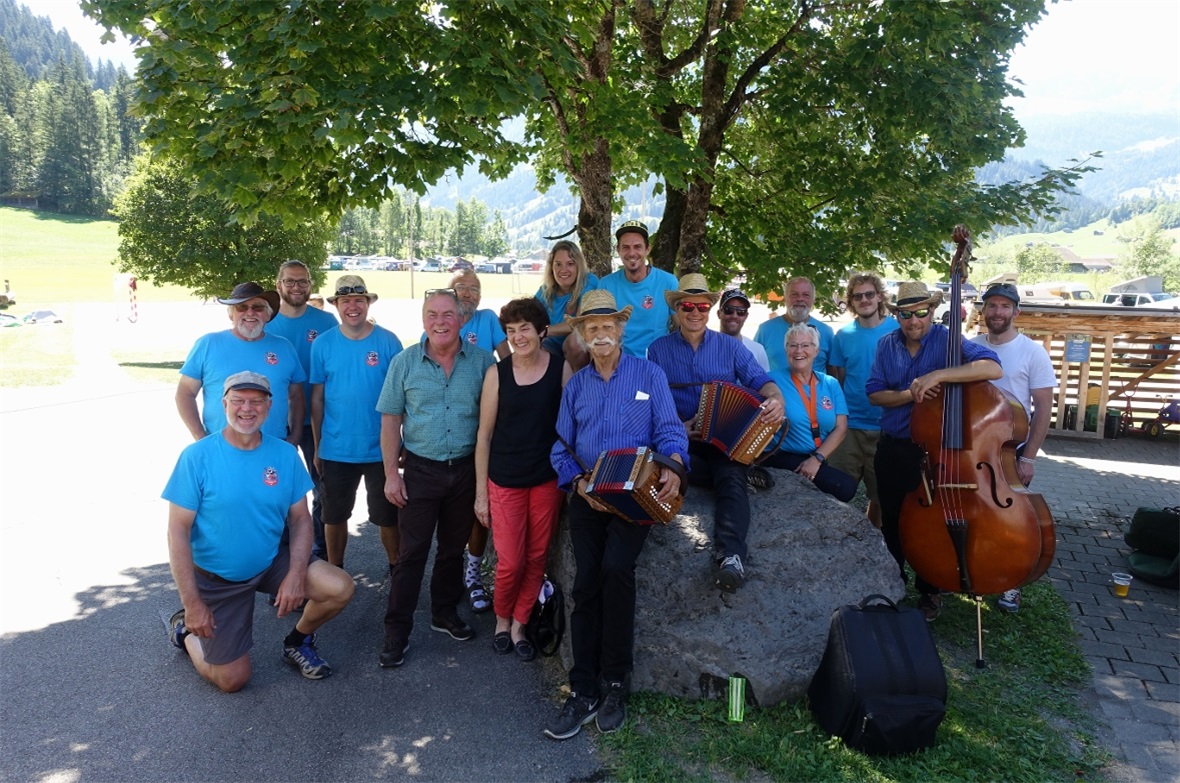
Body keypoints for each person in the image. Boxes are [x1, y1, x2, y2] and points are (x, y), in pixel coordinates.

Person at [545, 290, 688, 740]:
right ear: (582, 335)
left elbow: (670, 430)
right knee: (585, 583)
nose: (601, 333)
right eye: (592, 327)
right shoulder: (576, 386)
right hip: (589, 494)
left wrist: (674, 467)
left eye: (608, 326)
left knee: (616, 570)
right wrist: (577, 484)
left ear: (621, 330)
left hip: (634, 495)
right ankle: (582, 687)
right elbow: (560, 447)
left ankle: (614, 684)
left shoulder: (649, 374)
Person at [164, 371, 355, 692]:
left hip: (269, 562)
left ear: (269, 406)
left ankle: (298, 641)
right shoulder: (196, 457)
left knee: (339, 587)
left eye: (256, 401)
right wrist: (193, 603)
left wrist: (295, 575)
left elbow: (301, 519)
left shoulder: (284, 454)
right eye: (238, 400)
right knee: (232, 680)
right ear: (223, 404)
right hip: (218, 578)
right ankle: (186, 633)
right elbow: (177, 532)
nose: (247, 408)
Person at [866, 281, 1001, 622]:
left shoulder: (947, 340)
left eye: (921, 312)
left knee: (933, 522)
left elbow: (993, 367)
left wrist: (939, 375)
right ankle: (893, 585)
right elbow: (875, 394)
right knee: (893, 520)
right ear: (897, 316)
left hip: (934, 454)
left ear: (932, 311)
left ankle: (930, 589)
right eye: (906, 314)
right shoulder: (886, 344)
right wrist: (909, 394)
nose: (914, 321)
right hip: (893, 446)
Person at [377, 289, 495, 668]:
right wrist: (390, 476)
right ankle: (397, 630)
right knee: (411, 554)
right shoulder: (404, 362)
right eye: (432, 314)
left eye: (447, 314)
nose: (440, 322)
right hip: (420, 471)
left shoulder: (483, 362)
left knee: (451, 550)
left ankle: (444, 612)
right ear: (423, 319)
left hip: (464, 469)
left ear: (461, 319)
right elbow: (390, 420)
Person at [647, 274, 784, 591]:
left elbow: (761, 380)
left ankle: (731, 557)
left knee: (729, 478)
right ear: (677, 309)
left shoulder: (730, 347)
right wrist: (678, 428)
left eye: (702, 306)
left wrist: (776, 399)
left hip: (723, 437)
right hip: (679, 438)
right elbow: (654, 399)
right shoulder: (658, 350)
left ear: (710, 309)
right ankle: (742, 471)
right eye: (687, 306)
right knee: (675, 470)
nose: (695, 312)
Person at [474, 298, 566, 661]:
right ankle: (501, 619)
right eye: (511, 331)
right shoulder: (497, 374)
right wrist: (481, 494)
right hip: (505, 479)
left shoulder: (560, 368)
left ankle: (520, 624)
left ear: (542, 331)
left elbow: (571, 427)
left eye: (525, 328)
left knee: (536, 555)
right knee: (511, 560)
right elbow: (484, 436)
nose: (518, 337)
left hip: (546, 479)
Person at [970, 281, 1056, 613]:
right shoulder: (971, 346)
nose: (997, 312)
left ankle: (1010, 583)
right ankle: (969, 569)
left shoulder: (1032, 352)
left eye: (1005, 306)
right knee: (973, 513)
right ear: (983, 311)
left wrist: (1029, 456)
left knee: (1012, 520)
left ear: (1016, 312)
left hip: (1009, 450)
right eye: (992, 305)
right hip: (973, 447)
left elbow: (1044, 408)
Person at [309, 275, 404, 572]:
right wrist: (318, 446)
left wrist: (403, 441)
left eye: (359, 300)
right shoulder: (322, 344)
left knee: (388, 516)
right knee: (334, 516)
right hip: (336, 449)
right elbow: (317, 400)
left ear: (368, 303)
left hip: (381, 449)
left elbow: (404, 396)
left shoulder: (388, 341)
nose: (353, 306)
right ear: (336, 305)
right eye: (346, 301)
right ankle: (335, 571)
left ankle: (396, 571)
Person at [442, 269, 508, 614]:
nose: (468, 293)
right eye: (461, 288)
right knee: (452, 506)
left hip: (485, 423)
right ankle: (450, 571)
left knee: (480, 504)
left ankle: (473, 572)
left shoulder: (487, 319)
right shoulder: (440, 321)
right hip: (450, 428)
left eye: (474, 288)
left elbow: (509, 361)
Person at [268, 260, 340, 557]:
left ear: (311, 284)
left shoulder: (326, 322)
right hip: (274, 423)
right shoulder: (266, 323)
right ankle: (281, 557)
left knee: (322, 488)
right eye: (290, 281)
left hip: (317, 422)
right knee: (276, 489)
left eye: (302, 281)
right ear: (278, 285)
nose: (296, 287)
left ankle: (320, 554)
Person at [176, 282, 305, 445]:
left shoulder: (284, 347)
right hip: (219, 446)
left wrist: (295, 437)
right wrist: (201, 438)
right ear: (231, 314)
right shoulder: (208, 344)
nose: (250, 312)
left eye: (258, 307)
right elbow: (185, 393)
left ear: (268, 315)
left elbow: (296, 396)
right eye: (241, 307)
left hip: (274, 446)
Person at [827, 273, 900, 527]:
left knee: (880, 496)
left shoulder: (898, 330)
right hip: (849, 428)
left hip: (886, 427)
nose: (864, 300)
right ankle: (836, 539)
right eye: (857, 296)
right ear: (851, 302)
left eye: (869, 294)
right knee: (835, 492)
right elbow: (838, 380)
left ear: (879, 297)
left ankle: (873, 540)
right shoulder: (843, 335)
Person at [762, 323, 857, 501]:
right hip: (781, 456)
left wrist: (817, 459)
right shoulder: (771, 381)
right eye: (793, 345)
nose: (799, 351)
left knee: (846, 487)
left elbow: (841, 428)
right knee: (844, 487)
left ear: (816, 350)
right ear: (786, 350)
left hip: (818, 456)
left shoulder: (830, 384)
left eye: (805, 345)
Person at [596, 220, 678, 358]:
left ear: (648, 249)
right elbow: (599, 332)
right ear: (618, 250)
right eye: (626, 247)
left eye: (637, 247)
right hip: (619, 361)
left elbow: (682, 326)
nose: (632, 253)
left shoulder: (668, 282)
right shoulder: (606, 285)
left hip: (657, 360)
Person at [535, 240, 598, 368]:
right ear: (551, 267)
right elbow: (528, 316)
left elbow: (580, 323)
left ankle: (577, 380)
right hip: (552, 344)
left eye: (570, 264)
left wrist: (545, 331)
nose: (563, 270)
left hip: (580, 348)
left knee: (575, 342)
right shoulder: (545, 291)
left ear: (578, 266)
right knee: (534, 347)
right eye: (558, 264)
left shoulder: (589, 282)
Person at [754, 276, 834, 374]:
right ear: (785, 298)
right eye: (794, 294)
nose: (800, 299)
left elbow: (834, 373)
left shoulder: (826, 332)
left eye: (806, 295)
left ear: (813, 299)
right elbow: (753, 367)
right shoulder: (765, 330)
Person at [716, 288, 769, 371]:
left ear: (746, 316)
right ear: (719, 313)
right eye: (729, 310)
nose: (734, 316)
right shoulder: (705, 348)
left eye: (741, 311)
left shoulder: (757, 350)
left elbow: (765, 378)